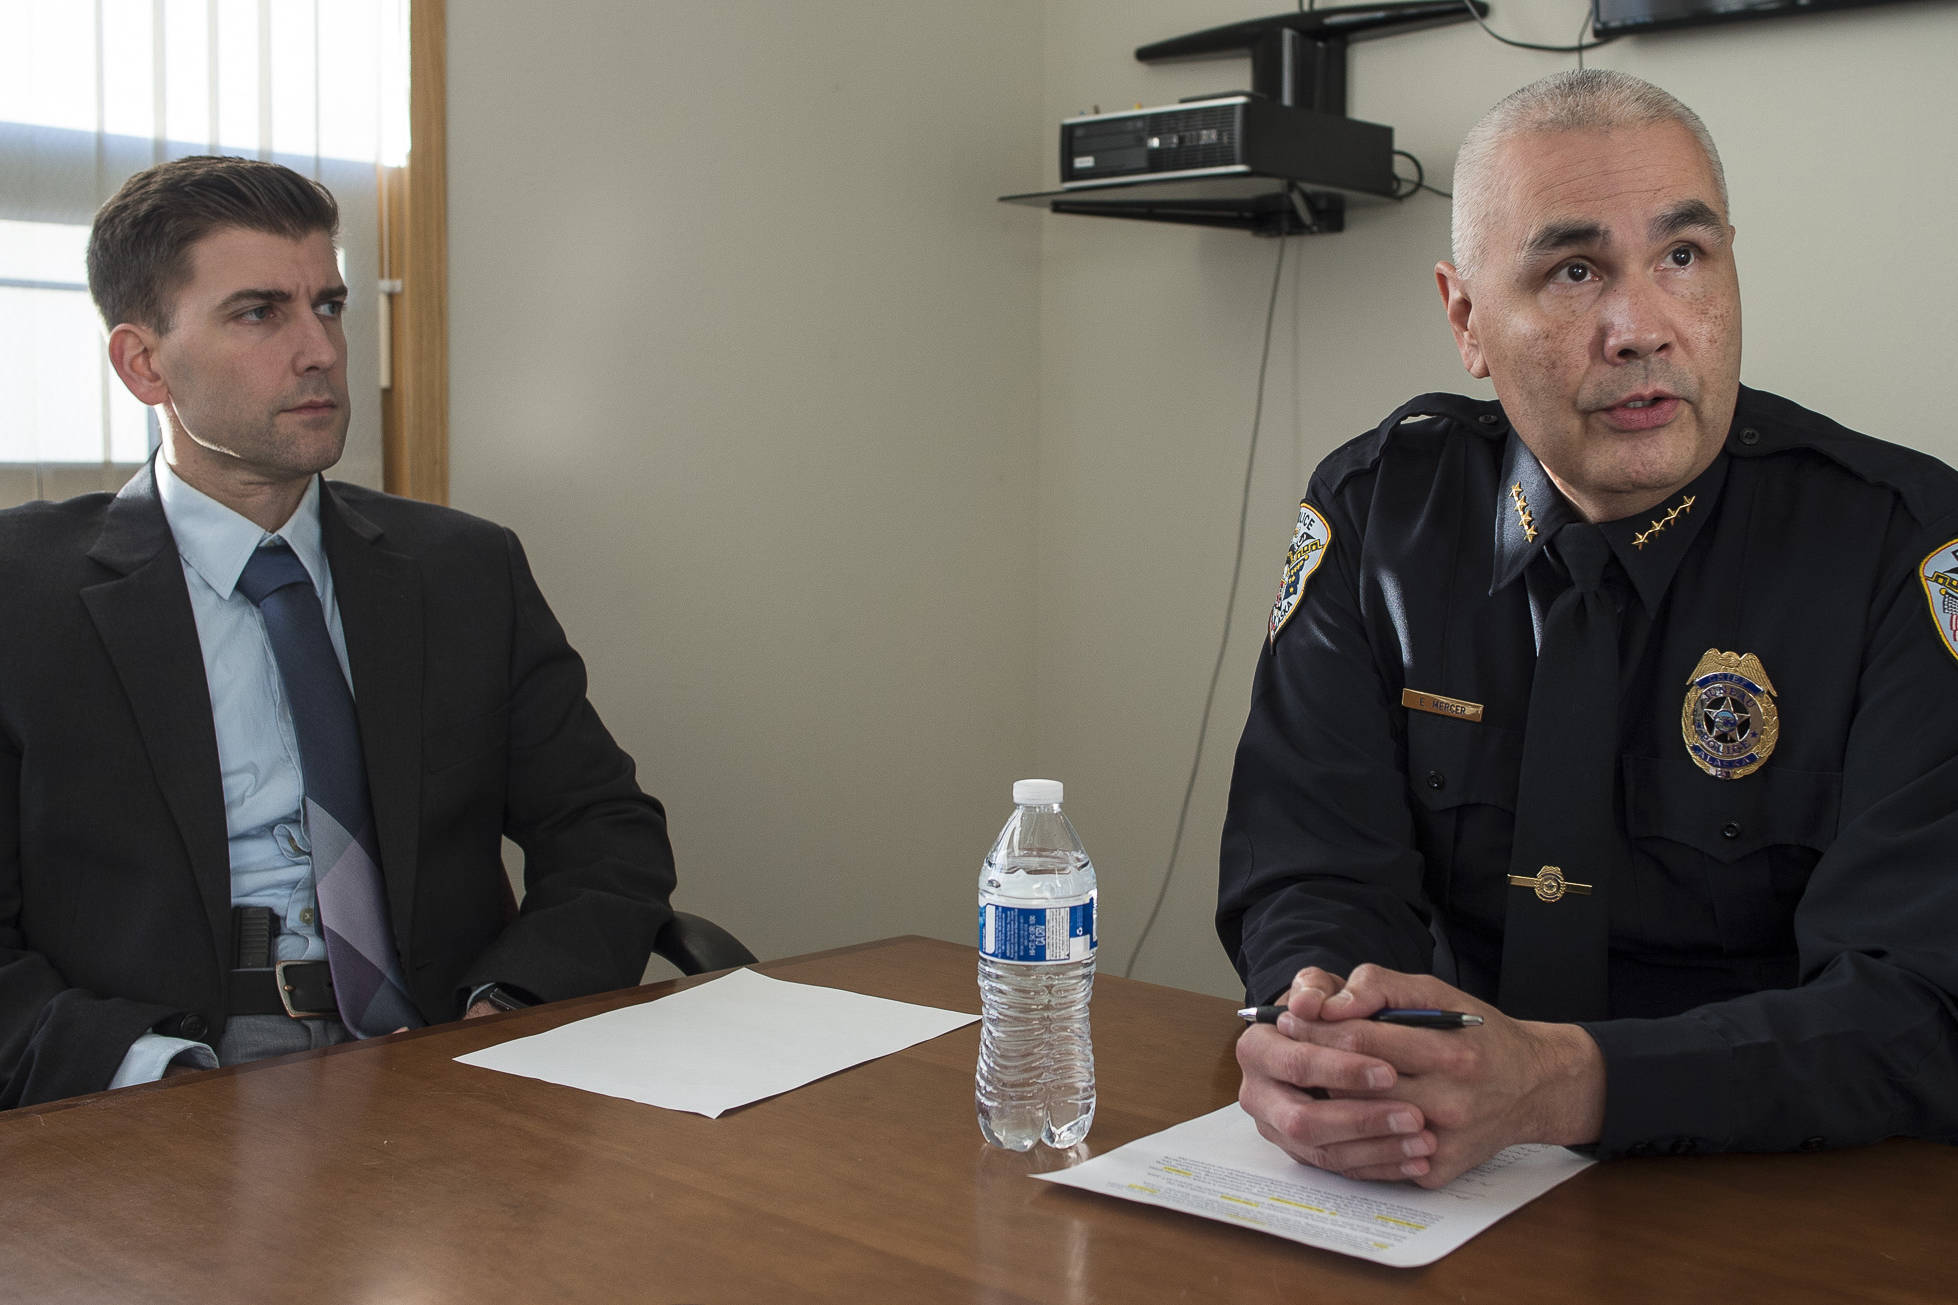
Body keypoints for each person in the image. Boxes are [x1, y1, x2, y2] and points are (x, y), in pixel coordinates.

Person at [1218, 69, 1958, 1187]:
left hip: (1784, 1186)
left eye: (1681, 258)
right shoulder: (1381, 517)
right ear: (1464, 318)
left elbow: (1919, 1005)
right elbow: (1309, 865)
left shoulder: (1899, 551)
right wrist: (1321, 1031)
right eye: (1573, 270)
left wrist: (1558, 1084)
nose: (1640, 329)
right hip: (1446, 1173)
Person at [0, 156, 678, 1109]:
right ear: (143, 362)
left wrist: (510, 1008)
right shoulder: (23, 593)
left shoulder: (462, 569)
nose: (318, 348)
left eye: (328, 305)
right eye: (258, 312)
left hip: (440, 1053)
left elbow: (605, 831)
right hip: (157, 1078)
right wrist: (149, 1075)